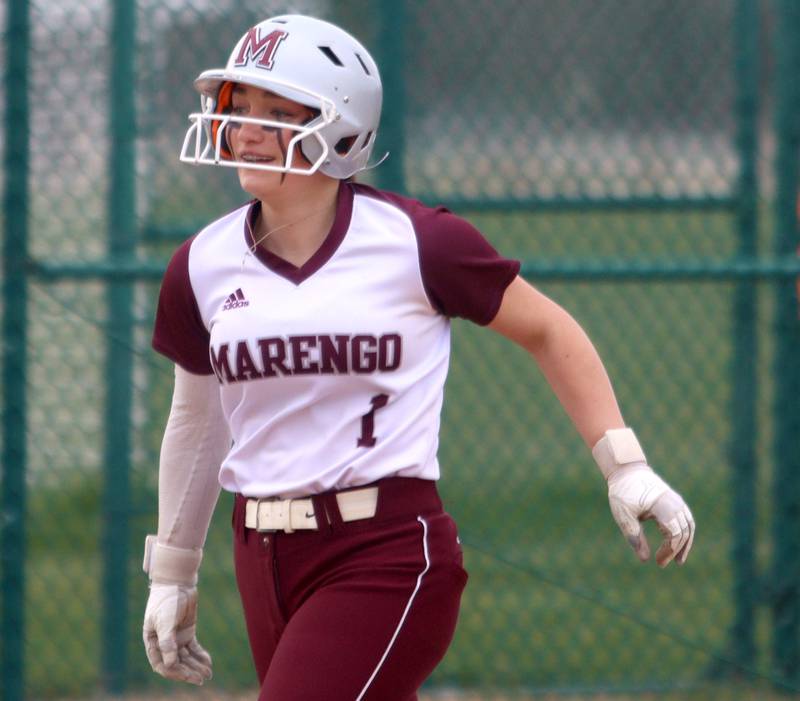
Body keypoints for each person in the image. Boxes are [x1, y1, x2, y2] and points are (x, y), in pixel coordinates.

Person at [142, 13, 696, 701]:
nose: (245, 129)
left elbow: (549, 329)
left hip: (384, 550)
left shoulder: (417, 242)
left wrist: (626, 465)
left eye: (276, 110)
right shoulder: (198, 264)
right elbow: (196, 422)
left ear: (340, 128)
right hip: (260, 553)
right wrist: (174, 569)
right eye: (238, 106)